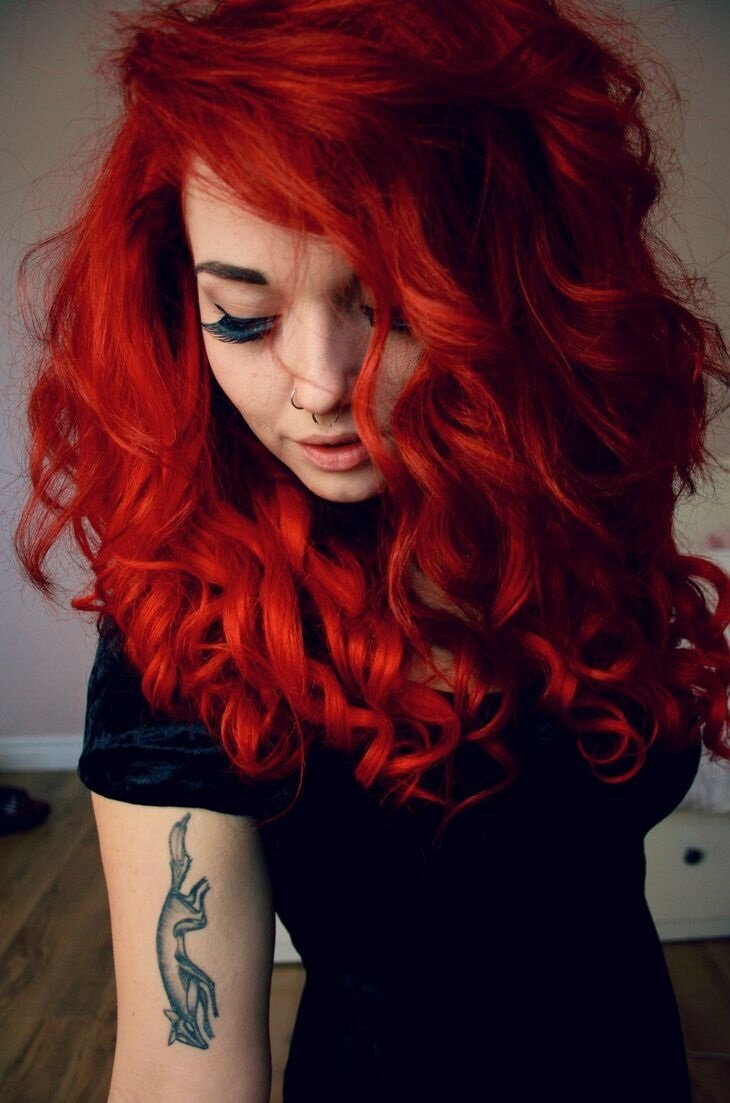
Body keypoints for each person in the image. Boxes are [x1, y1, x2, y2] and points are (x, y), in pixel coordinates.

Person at [12, 0, 730, 1101]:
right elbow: (177, 1064)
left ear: (512, 284)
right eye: (241, 318)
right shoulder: (189, 622)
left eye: (390, 306)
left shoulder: (571, 509)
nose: (318, 385)